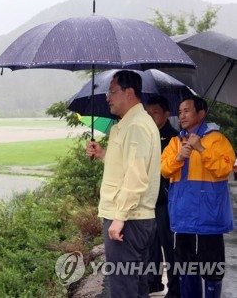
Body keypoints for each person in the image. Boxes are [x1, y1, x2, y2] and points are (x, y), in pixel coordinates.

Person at [86, 70, 161, 297]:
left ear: (129, 93)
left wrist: (119, 219)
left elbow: (136, 177)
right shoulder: (128, 124)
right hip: (132, 218)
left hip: (128, 220)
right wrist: (102, 154)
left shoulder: (136, 125)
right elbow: (124, 167)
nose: (107, 97)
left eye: (111, 91)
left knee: (123, 289)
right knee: (136, 287)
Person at [161, 95, 235, 298]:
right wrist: (178, 158)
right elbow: (164, 169)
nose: (182, 115)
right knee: (186, 269)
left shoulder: (217, 140)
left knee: (211, 271)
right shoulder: (176, 142)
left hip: (208, 218)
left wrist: (201, 149)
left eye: (187, 111)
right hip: (182, 219)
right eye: (180, 111)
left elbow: (223, 169)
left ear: (201, 113)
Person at [146, 96, 180, 297]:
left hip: (167, 199)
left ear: (167, 114)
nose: (151, 117)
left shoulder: (174, 138)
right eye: (148, 113)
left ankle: (175, 289)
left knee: (169, 247)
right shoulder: (146, 135)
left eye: (155, 112)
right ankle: (153, 282)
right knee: (151, 245)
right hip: (148, 199)